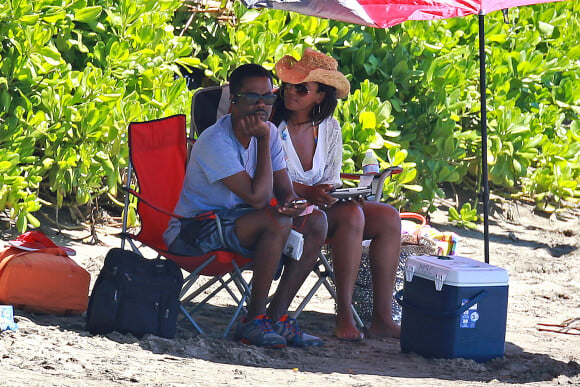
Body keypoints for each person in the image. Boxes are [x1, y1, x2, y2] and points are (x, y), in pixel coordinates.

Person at [163, 64, 326, 348]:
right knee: (276, 221)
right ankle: (254, 319)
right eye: (252, 97)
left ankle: (276, 317)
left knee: (316, 221)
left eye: (268, 96)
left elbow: (283, 191)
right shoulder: (216, 140)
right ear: (234, 99)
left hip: (239, 221)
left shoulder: (270, 133)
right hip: (194, 230)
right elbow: (259, 198)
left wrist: (292, 204)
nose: (262, 104)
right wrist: (262, 139)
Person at [271, 48, 402, 340]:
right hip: (281, 208)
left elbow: (330, 178)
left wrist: (337, 193)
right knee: (352, 215)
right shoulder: (270, 125)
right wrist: (308, 191)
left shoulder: (329, 128)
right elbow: (266, 176)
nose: (291, 92)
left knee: (388, 217)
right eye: (288, 85)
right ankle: (344, 315)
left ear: (320, 96)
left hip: (317, 207)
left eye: (301, 88)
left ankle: (382, 316)